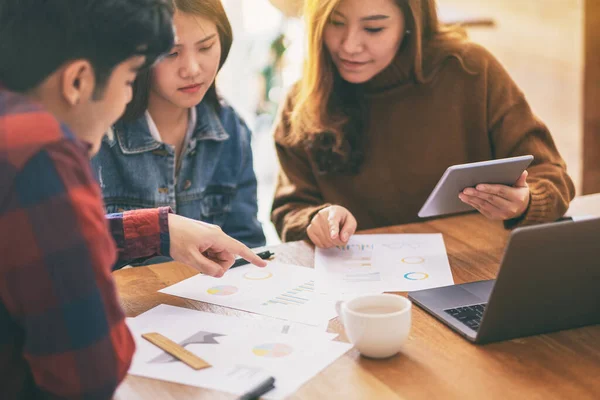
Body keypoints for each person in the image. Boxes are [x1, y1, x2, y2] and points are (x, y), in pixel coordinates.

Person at [0, 1, 265, 398]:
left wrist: (156, 231)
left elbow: (34, 241)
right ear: (77, 82)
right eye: (128, 81)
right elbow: (91, 373)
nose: (127, 100)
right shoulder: (43, 157)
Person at [271, 0, 575, 248]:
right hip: (358, 284)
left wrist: (525, 202)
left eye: (374, 28)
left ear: (410, 23)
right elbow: (290, 209)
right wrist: (317, 219)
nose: (349, 45)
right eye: (335, 23)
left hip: (471, 266)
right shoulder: (304, 99)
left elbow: (552, 176)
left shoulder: (469, 70)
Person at [92, 0, 266, 250]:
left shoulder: (231, 129)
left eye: (205, 47)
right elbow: (74, 242)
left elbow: (246, 243)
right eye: (171, 53)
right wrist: (157, 230)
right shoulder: (96, 134)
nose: (192, 69)